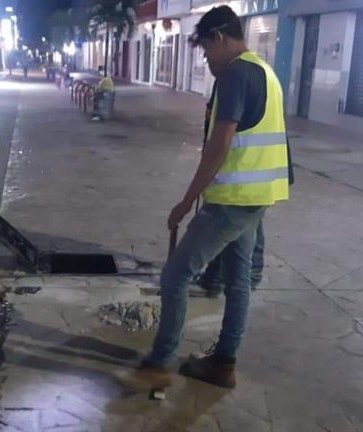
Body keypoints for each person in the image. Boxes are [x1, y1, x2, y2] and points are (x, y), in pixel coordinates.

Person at [123, 6, 290, 390]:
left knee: (175, 277)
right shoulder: (265, 71)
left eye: (204, 49)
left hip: (233, 200)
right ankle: (224, 363)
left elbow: (220, 145)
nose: (204, 58)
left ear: (219, 38)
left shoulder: (234, 74)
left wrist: (185, 202)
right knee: (238, 281)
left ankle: (161, 362)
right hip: (258, 197)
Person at [197, 82, 296, 296]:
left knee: (240, 224)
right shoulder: (246, 76)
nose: (207, 58)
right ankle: (229, 275)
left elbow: (225, 132)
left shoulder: (237, 77)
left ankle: (231, 275)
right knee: (245, 223)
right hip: (252, 168)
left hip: (250, 168)